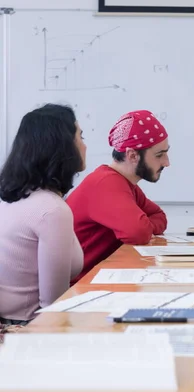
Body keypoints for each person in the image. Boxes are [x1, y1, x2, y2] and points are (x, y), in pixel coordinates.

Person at [0, 104, 86, 324]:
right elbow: (53, 306)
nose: (85, 146)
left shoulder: (14, 197)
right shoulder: (51, 210)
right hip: (25, 331)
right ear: (64, 147)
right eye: (81, 137)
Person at [67, 110, 169, 283]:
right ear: (132, 155)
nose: (167, 162)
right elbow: (138, 232)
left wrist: (145, 226)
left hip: (100, 281)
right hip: (79, 289)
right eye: (159, 155)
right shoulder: (106, 183)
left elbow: (159, 217)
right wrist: (144, 227)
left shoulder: (125, 184)